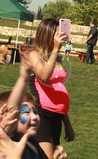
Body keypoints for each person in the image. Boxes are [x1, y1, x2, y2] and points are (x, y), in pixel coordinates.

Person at [25, 18, 74, 158]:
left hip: (57, 117)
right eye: (57, 33)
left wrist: (67, 124)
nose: (61, 36)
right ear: (47, 34)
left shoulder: (55, 57)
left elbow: (58, 91)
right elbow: (44, 75)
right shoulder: (34, 54)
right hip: (42, 114)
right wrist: (56, 48)